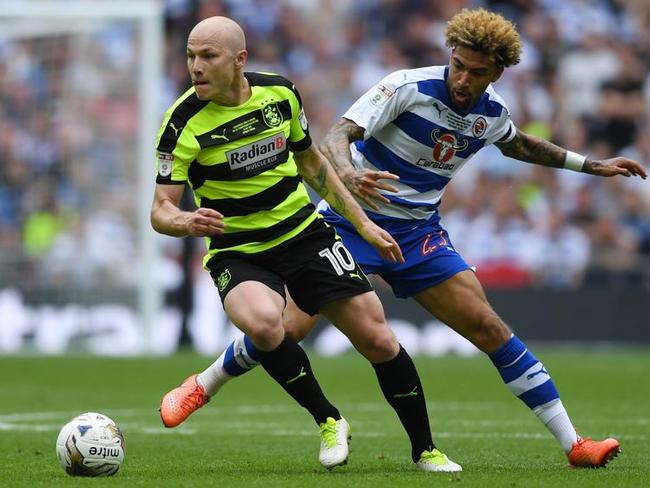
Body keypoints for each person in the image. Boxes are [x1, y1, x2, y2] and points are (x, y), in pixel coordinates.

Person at [182, 9, 648, 469]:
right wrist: (348, 174)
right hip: (350, 224)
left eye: (476, 72)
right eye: (458, 65)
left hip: (420, 235)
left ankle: (575, 445)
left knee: (488, 327)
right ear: (450, 54)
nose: (463, 79)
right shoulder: (406, 87)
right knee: (284, 330)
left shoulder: (490, 114)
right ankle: (205, 382)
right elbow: (336, 136)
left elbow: (520, 143)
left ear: (498, 73)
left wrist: (590, 165)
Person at [152, 16, 461, 473]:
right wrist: (184, 220)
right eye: (190, 56)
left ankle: (425, 451)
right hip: (238, 248)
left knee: (377, 338)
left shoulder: (279, 94)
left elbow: (313, 165)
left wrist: (366, 224)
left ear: (239, 60)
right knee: (263, 325)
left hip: (304, 233)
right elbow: (160, 209)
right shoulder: (181, 123)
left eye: (208, 56)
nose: (195, 66)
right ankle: (329, 419)